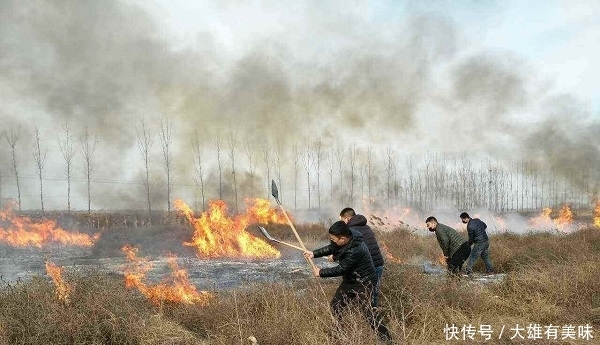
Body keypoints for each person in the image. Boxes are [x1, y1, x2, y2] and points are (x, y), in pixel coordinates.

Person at [304, 221, 392, 343]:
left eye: (334, 239)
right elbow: (332, 248)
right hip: (350, 280)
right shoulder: (344, 239)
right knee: (336, 305)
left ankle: (387, 340)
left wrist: (321, 272)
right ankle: (338, 333)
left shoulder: (355, 250)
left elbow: (341, 269)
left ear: (343, 238)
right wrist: (314, 253)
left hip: (364, 282)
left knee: (369, 314)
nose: (332, 241)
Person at [339, 207, 385, 307]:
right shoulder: (366, 227)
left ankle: (365, 318)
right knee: (372, 295)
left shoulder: (350, 231)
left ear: (347, 218)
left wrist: (334, 256)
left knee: (360, 296)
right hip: (378, 265)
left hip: (367, 269)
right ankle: (373, 317)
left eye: (342, 220)